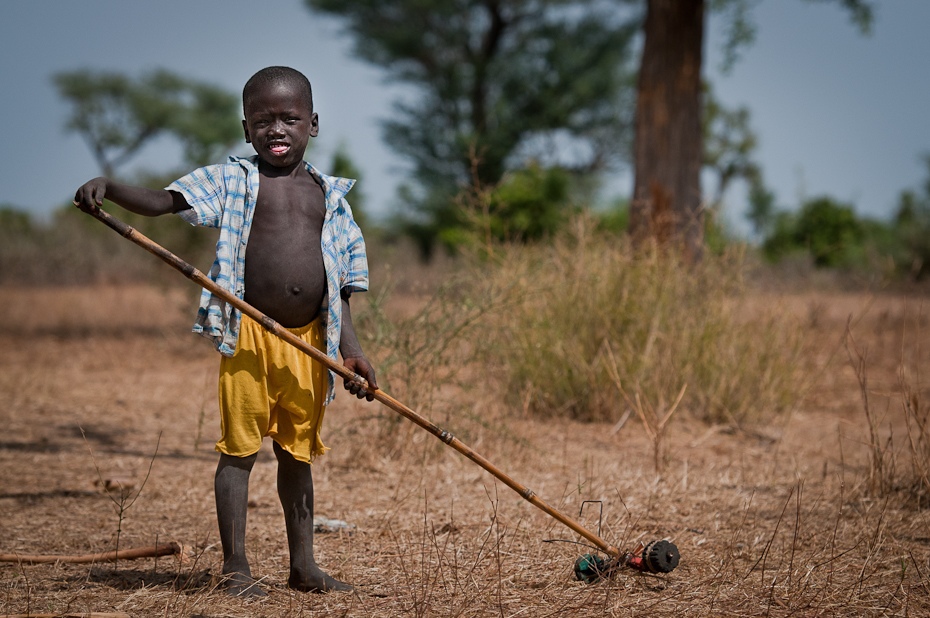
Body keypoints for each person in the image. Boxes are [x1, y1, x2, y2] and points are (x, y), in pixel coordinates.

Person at [73, 66, 378, 596]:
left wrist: (349, 351)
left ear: (314, 124)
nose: (276, 129)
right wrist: (113, 189)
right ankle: (236, 567)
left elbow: (343, 285)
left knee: (297, 454)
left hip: (309, 344)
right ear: (245, 128)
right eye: (263, 120)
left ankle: (303, 566)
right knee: (238, 452)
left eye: (290, 118)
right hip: (249, 339)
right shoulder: (232, 181)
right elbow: (166, 201)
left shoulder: (332, 197)